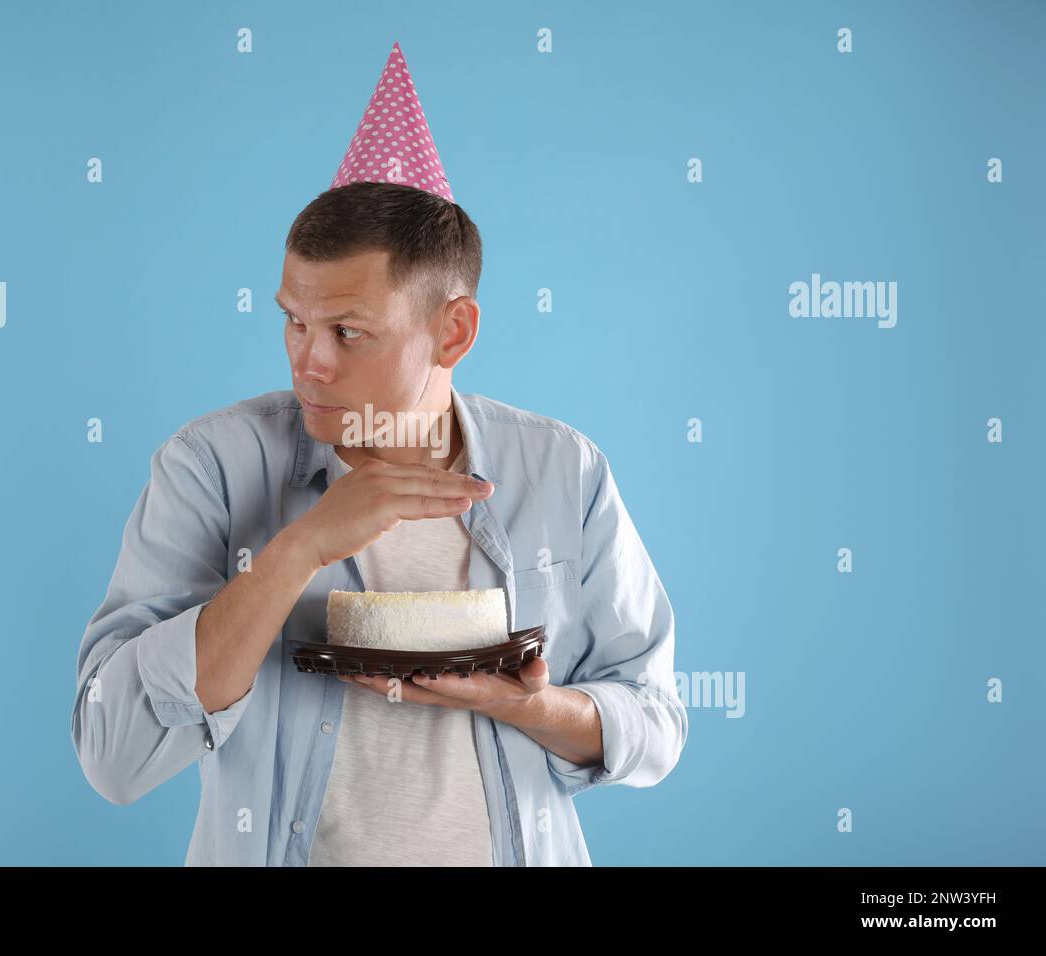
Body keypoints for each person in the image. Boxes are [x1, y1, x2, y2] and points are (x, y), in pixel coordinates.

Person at [70, 42, 687, 867]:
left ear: (453, 330)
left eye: (347, 332)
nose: (307, 361)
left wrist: (530, 709)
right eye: (294, 321)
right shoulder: (210, 466)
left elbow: (657, 720)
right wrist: (301, 548)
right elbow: (112, 753)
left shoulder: (562, 472)